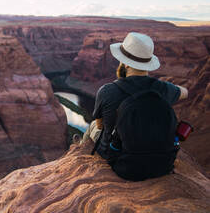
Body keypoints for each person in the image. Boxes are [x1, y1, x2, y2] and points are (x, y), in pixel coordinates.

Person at [78, 32, 188, 161]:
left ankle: (79, 150)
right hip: (157, 159)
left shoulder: (107, 91)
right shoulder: (163, 89)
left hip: (116, 156)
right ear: (148, 63)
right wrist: (171, 87)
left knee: (93, 126)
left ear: (126, 63)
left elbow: (101, 125)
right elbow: (185, 92)